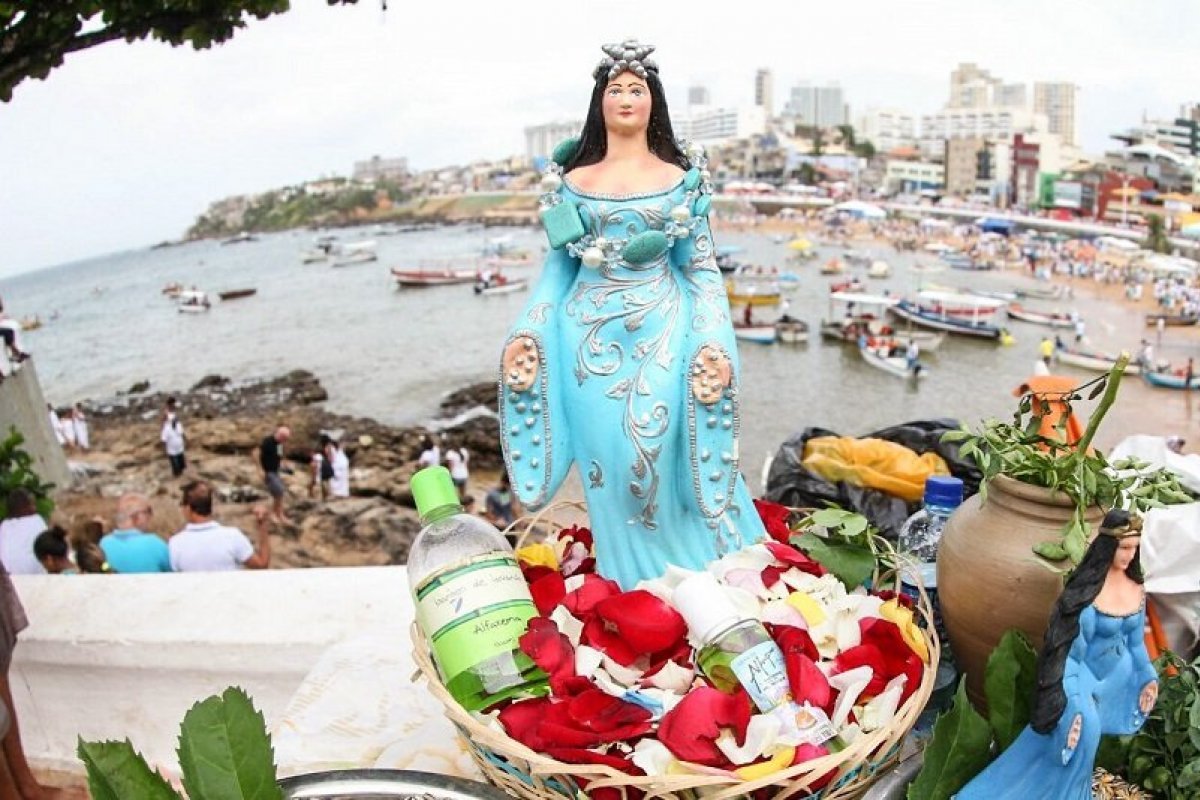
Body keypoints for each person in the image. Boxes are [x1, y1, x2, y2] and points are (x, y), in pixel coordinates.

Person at [498, 40, 766, 589]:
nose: (624, 97)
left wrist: (713, 340)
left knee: (658, 457)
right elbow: (556, 272)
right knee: (612, 470)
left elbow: (701, 270)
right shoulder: (571, 182)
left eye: (636, 89)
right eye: (614, 89)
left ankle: (698, 581)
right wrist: (527, 331)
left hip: (664, 334)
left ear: (654, 101)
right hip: (584, 346)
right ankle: (631, 591)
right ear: (598, 102)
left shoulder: (680, 178)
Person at [957, 509, 1156, 799]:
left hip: (1114, 677)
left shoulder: (1136, 587)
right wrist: (1072, 701)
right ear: (1109, 546)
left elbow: (1136, 643)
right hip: (1080, 676)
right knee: (1078, 737)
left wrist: (1148, 676)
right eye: (1124, 547)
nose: (1129, 555)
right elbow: (1072, 656)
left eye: (1134, 548)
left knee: (1088, 744)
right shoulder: (1088, 594)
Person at [168, 481, 271, 572]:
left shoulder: (175, 544)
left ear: (188, 508)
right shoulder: (232, 536)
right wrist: (263, 526)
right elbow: (261, 565)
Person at [99, 494, 171, 573]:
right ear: (137, 517)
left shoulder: (103, 544)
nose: (151, 516)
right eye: (149, 511)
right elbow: (169, 574)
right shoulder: (156, 544)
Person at [0, 490, 46, 576]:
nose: (35, 508)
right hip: (34, 578)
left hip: (7, 579)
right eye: (32, 504)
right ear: (26, 506)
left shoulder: (4, 526)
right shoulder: (37, 521)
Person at [255, 426, 291, 523]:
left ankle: (279, 514)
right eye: (285, 438)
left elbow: (280, 456)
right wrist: (260, 469)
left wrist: (284, 464)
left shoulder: (279, 444)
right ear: (280, 435)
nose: (285, 440)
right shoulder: (268, 441)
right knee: (278, 492)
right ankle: (274, 514)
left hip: (276, 471)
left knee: (279, 493)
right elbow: (256, 453)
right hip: (268, 471)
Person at [161, 404, 187, 477]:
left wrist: (186, 440)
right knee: (177, 462)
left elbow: (182, 433)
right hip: (175, 448)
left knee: (179, 462)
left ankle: (180, 473)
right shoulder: (168, 427)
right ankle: (178, 473)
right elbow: (164, 440)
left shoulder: (176, 425)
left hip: (177, 448)